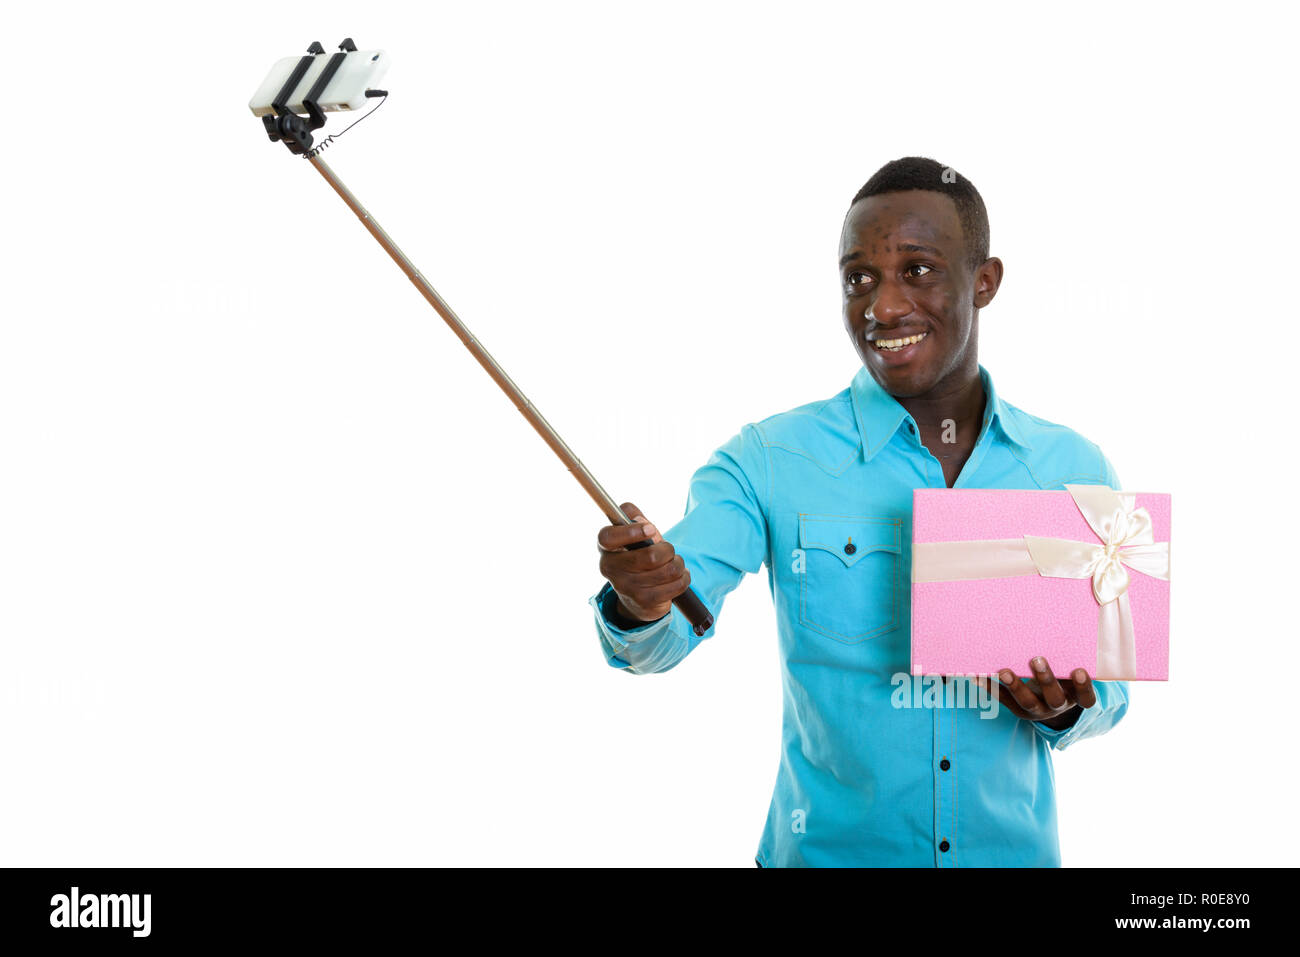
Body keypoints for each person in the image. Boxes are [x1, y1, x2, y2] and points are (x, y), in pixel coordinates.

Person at [589, 156, 1129, 867]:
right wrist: (639, 601)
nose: (883, 306)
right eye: (859, 279)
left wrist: (1069, 706)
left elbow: (1114, 686)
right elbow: (661, 635)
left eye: (919, 270)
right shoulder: (769, 459)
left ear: (985, 281)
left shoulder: (1074, 470)